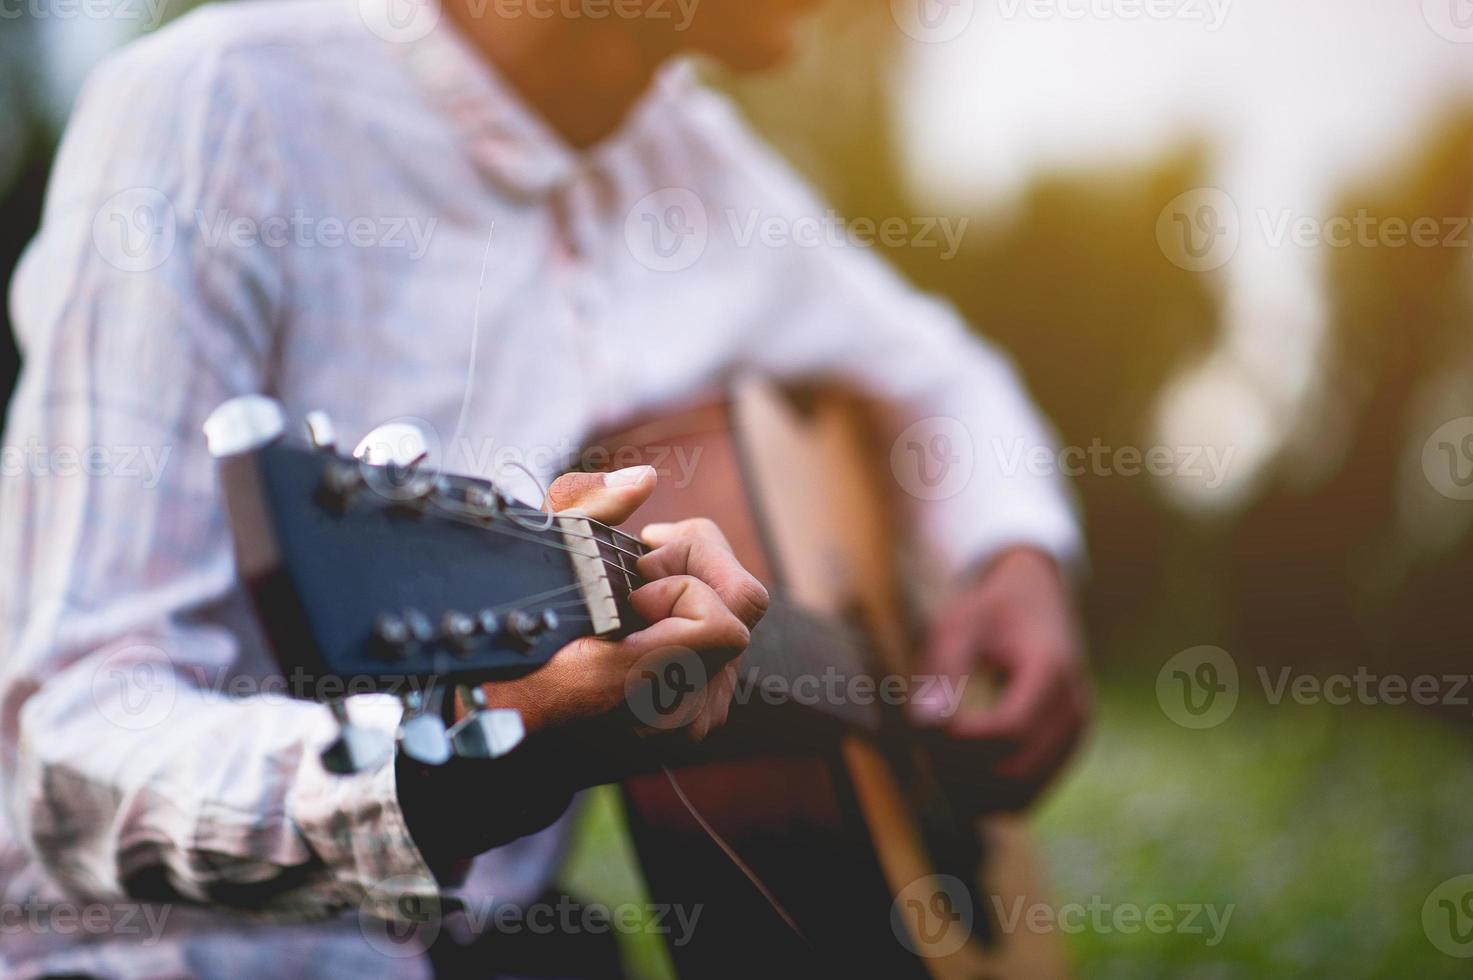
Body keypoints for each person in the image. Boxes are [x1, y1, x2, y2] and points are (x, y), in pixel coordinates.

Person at [0, 0, 1090, 975]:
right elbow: (74, 750)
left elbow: (944, 375)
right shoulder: (216, 111)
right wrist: (463, 764)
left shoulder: (688, 158)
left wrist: (1014, 554)